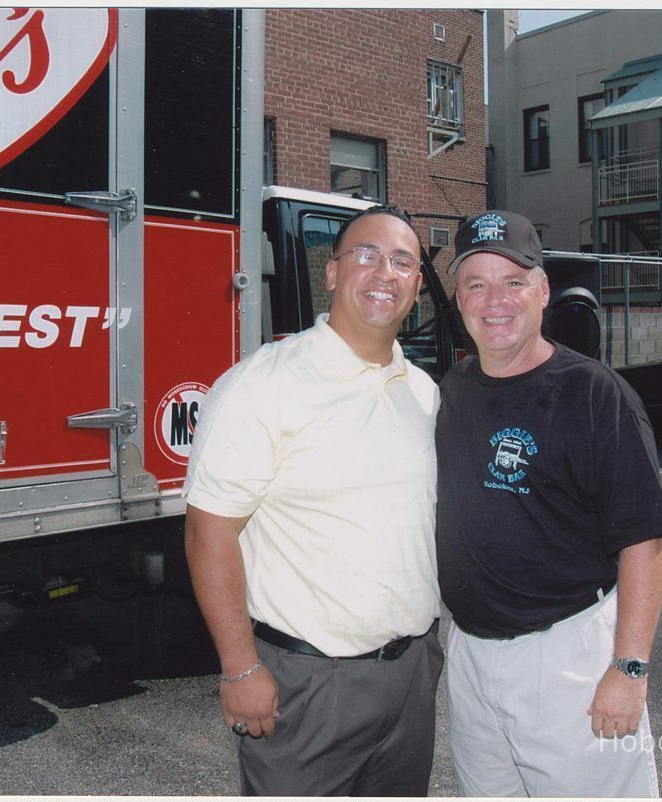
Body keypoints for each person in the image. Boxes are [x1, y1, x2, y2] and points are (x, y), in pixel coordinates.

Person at [183, 205, 443, 797]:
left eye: (403, 261)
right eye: (367, 255)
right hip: (307, 685)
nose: (385, 272)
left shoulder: (423, 393)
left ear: (418, 287)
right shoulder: (265, 384)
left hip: (412, 678)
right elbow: (209, 533)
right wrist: (240, 667)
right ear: (331, 273)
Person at [435, 210, 662, 797]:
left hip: (568, 658)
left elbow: (642, 542)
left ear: (543, 291)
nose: (495, 300)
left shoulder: (594, 393)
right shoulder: (453, 391)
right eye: (476, 283)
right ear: (459, 299)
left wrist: (629, 669)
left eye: (513, 282)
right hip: (470, 654)